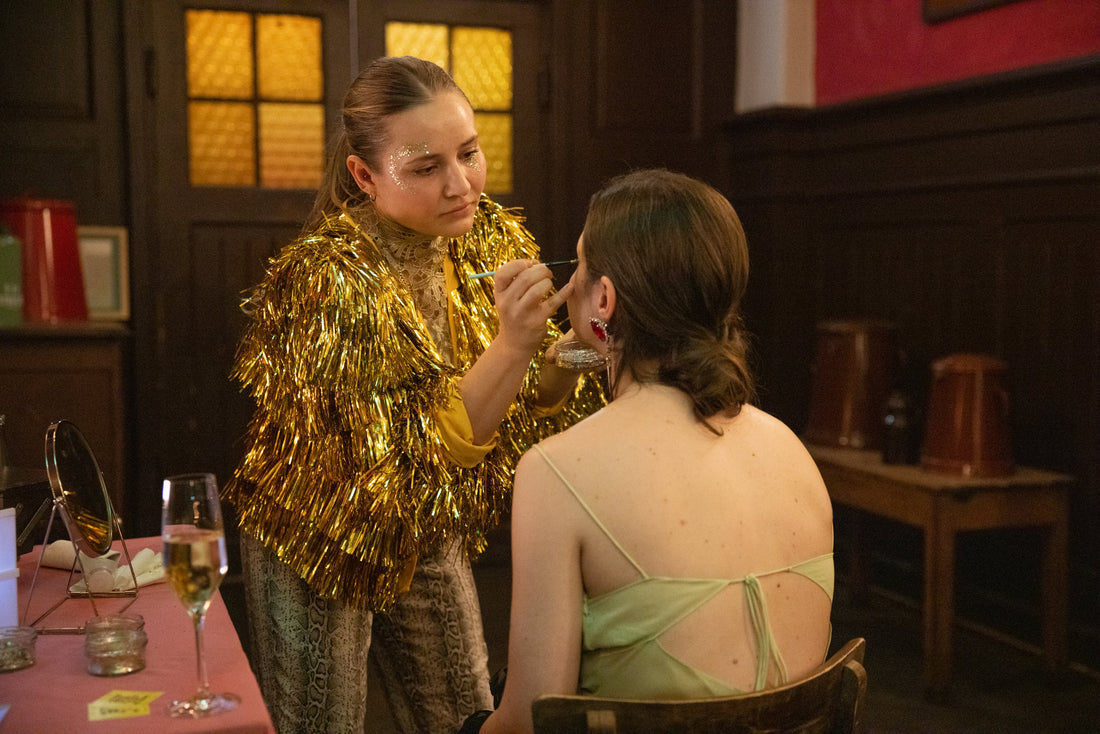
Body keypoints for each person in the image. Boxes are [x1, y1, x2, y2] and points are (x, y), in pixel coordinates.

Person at [224, 56, 603, 734]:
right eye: (426, 168)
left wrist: (573, 353)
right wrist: (513, 348)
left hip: (426, 524)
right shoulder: (325, 281)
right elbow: (413, 457)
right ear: (365, 176)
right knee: (325, 726)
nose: (462, 186)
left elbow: (518, 418)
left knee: (464, 714)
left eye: (470, 153)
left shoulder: (489, 235)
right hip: (321, 535)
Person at [475, 169, 835, 734]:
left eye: (580, 267)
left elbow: (526, 722)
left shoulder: (555, 471)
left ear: (605, 297)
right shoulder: (792, 449)